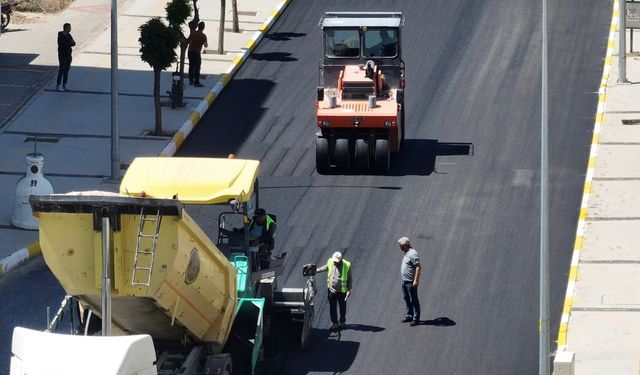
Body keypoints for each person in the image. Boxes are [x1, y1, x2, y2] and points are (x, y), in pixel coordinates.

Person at [316, 251, 352, 331]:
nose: (335, 262)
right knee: (332, 308)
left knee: (342, 307)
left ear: (340, 260)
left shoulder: (346, 265)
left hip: (342, 291)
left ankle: (342, 322)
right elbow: (326, 267)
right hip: (331, 290)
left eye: (336, 261)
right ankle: (335, 323)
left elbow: (349, 278)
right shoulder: (330, 261)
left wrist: (349, 289)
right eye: (334, 261)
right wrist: (316, 270)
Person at [398, 237, 421, 326]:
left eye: (401, 246)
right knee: (406, 298)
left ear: (405, 245)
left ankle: (416, 318)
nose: (400, 247)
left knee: (414, 300)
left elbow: (418, 267)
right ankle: (409, 315)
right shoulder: (407, 253)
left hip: (410, 282)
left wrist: (415, 280)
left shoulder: (413, 254)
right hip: (404, 280)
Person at [187, 21, 208, 87]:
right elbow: (205, 45)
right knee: (197, 68)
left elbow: (189, 41)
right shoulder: (203, 36)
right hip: (196, 53)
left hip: (190, 51)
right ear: (203, 28)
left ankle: (191, 81)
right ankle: (197, 82)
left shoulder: (193, 33)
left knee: (191, 66)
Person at [56, 23, 76, 91]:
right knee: (62, 69)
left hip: (68, 55)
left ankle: (65, 84)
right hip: (62, 55)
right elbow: (62, 44)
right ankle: (58, 85)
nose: (70, 29)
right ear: (66, 28)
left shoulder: (69, 35)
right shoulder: (61, 35)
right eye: (69, 27)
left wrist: (69, 44)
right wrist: (69, 43)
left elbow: (74, 43)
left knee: (66, 70)